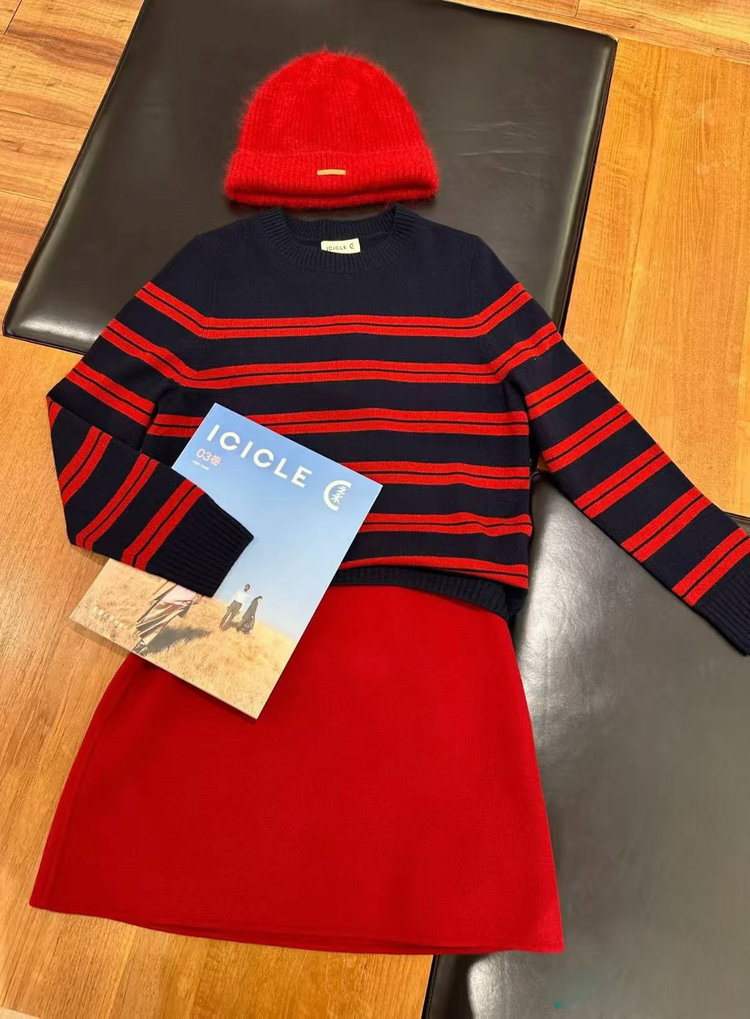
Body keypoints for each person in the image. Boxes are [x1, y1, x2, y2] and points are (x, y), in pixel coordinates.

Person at [133, 581, 202, 656]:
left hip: (183, 601)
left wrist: (196, 598)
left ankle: (139, 647)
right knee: (150, 617)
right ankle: (136, 634)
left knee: (161, 623)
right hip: (171, 594)